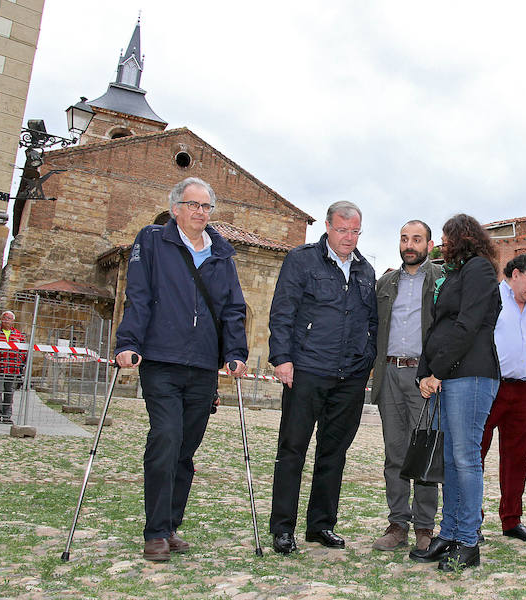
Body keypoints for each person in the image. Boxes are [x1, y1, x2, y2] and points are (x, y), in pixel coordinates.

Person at [114, 177, 248, 562]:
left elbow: (232, 308)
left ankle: (171, 525)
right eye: (193, 205)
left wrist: (234, 352)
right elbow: (137, 294)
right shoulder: (153, 241)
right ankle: (154, 531)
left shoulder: (221, 253)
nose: (200, 213)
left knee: (186, 449)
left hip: (203, 366)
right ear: (175, 209)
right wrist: (128, 343)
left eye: (206, 207)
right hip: (161, 360)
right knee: (166, 438)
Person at [267, 201, 377, 555]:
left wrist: (366, 361)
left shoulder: (366, 270)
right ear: (328, 227)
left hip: (350, 376)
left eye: (355, 231)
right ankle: (283, 528)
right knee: (292, 450)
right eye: (343, 230)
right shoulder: (301, 260)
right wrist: (282, 358)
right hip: (307, 370)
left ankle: (321, 525)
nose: (349, 237)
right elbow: (283, 310)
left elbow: (371, 322)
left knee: (334, 453)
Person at [410, 214, 501, 571]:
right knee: (451, 459)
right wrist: (425, 371)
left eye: (446, 237)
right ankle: (448, 534)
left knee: (466, 459)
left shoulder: (478, 269)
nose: (442, 243)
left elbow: (467, 326)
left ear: (463, 237)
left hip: (473, 374)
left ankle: (468, 540)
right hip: (452, 374)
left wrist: (436, 370)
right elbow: (439, 326)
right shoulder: (455, 273)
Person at [369, 220, 441, 553]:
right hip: (389, 376)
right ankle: (398, 523)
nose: (409, 245)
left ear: (429, 243)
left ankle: (425, 527)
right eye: (403, 239)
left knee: (424, 452)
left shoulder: (442, 280)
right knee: (394, 454)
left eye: (416, 239)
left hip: (424, 380)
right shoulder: (384, 283)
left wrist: (439, 372)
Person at [480, 254, 526, 543]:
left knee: (517, 458)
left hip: (524, 390)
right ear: (515, 274)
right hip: (492, 387)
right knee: (475, 455)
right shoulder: (491, 298)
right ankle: (472, 520)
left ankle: (511, 520)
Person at [0, 311, 27, 424]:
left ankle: (6, 416)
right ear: (1, 319)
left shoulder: (18, 334)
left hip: (12, 368)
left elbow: (23, 350)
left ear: (13, 321)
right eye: (4, 318)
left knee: (9, 392)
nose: (6, 320)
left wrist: (20, 363)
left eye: (9, 318)